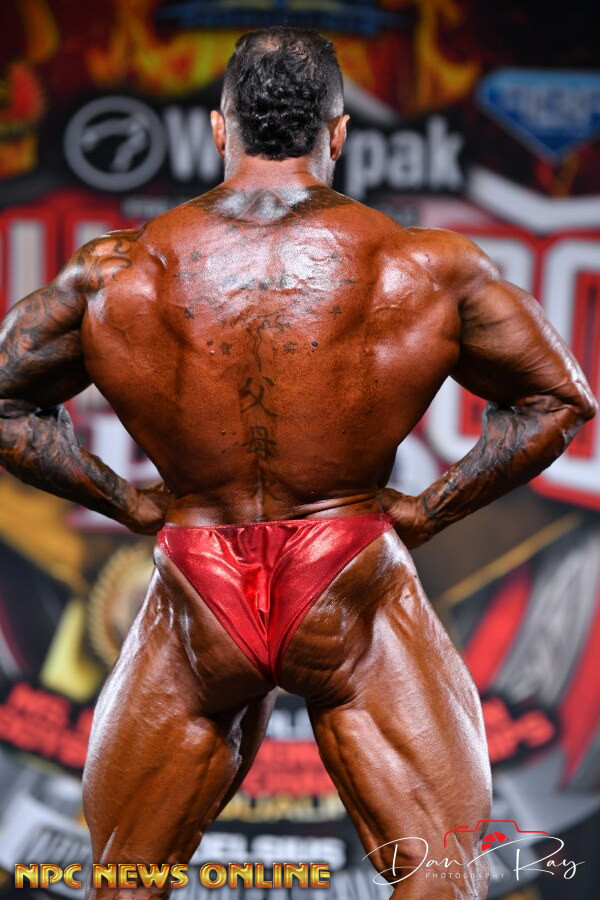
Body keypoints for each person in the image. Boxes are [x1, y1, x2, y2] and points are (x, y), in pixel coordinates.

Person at [0, 26, 595, 900]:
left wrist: (126, 501)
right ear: (338, 132)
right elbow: (559, 399)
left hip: (196, 581)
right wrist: (428, 510)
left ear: (219, 128)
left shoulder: (117, 272)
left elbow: (7, 402)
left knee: (124, 880)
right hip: (347, 573)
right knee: (442, 875)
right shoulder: (419, 266)